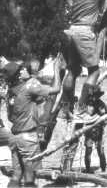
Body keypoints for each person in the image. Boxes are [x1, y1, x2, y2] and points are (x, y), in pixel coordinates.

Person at [3, 57, 61, 188]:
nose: (24, 69)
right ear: (18, 76)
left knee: (17, 174)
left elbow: (11, 117)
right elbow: (56, 89)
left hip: (14, 136)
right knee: (31, 177)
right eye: (21, 69)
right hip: (27, 137)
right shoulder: (29, 86)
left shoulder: (10, 91)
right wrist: (56, 70)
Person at [84, 86, 107, 173]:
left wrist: (103, 124)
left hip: (99, 131)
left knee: (100, 151)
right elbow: (87, 114)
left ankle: (103, 169)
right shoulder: (87, 104)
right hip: (89, 131)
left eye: (96, 96)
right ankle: (87, 169)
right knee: (88, 151)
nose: (95, 97)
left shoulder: (101, 104)